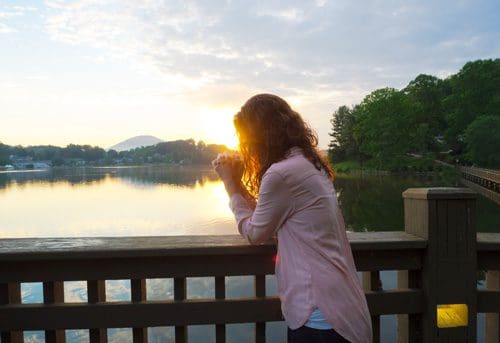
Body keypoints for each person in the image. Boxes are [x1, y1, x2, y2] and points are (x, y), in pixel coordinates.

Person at [212, 94, 372, 343]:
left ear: (259, 137)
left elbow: (256, 233)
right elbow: (271, 216)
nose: (247, 147)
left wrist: (231, 185)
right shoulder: (308, 164)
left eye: (246, 139)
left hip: (319, 315)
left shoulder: (281, 173)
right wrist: (240, 186)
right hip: (343, 306)